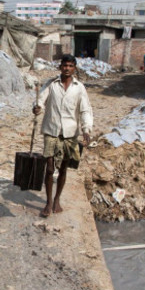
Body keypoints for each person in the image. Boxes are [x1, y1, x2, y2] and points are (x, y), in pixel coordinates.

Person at [32, 55, 93, 217]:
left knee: (64, 168)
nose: (67, 68)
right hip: (51, 130)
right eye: (65, 65)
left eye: (70, 66)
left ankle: (57, 199)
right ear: (60, 67)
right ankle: (48, 202)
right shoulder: (51, 85)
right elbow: (40, 100)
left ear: (74, 68)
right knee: (50, 168)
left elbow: (85, 110)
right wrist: (37, 107)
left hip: (70, 133)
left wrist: (86, 129)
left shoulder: (79, 88)